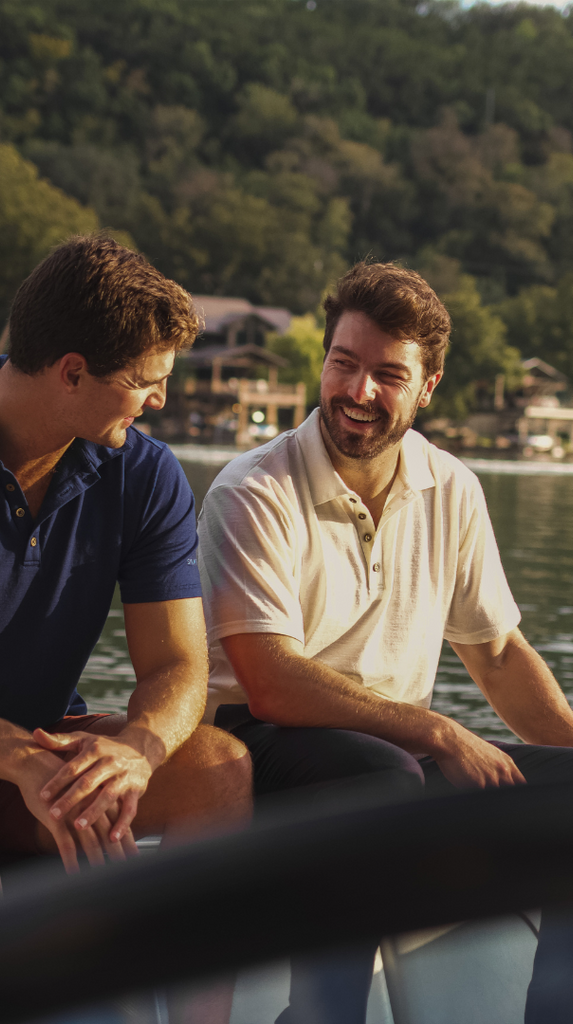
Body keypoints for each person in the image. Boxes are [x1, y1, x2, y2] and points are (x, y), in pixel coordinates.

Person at [197, 261, 573, 1024]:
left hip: (398, 754)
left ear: (427, 387)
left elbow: (495, 655)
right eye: (343, 363)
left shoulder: (452, 487)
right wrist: (440, 731)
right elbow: (269, 681)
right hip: (265, 749)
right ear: (323, 360)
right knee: (378, 774)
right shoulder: (251, 490)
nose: (357, 391)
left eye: (387, 375)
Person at [0, 235, 252, 953]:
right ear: (72, 372)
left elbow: (178, 667)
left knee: (217, 766)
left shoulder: (145, 475)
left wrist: (138, 754)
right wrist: (18, 759)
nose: (160, 398)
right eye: (147, 379)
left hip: (37, 749)